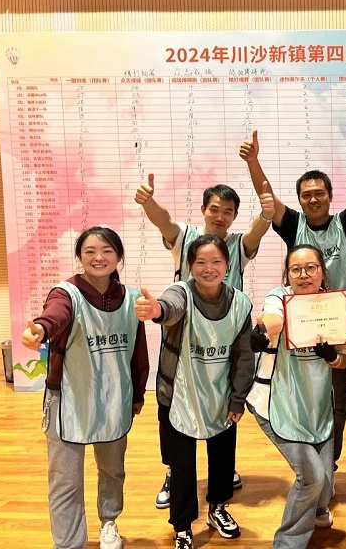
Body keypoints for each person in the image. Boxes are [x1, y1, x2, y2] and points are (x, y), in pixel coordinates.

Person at [240, 129, 346, 472]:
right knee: (305, 391)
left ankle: (328, 463)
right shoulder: (293, 224)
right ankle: (307, 457)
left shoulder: (345, 224)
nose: (313, 199)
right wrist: (253, 161)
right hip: (299, 323)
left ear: (329, 196)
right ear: (300, 200)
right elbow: (267, 196)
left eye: (319, 193)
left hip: (338, 323)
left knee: (337, 397)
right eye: (306, 195)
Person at [135, 174, 274, 508]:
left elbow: (257, 231)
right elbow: (164, 221)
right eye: (215, 208)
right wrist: (148, 202)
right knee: (170, 406)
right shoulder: (186, 237)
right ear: (203, 209)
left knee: (223, 405)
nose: (220, 216)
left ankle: (221, 479)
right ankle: (173, 471)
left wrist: (267, 214)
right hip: (183, 337)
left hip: (222, 341)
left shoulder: (237, 246)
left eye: (228, 211)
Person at [21, 226, 149, 549]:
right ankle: (68, 543)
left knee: (112, 471)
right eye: (90, 251)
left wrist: (138, 393)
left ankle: (109, 522)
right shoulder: (66, 293)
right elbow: (55, 315)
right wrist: (41, 330)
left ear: (118, 257)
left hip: (115, 399)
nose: (98, 257)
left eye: (107, 250)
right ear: (79, 256)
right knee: (65, 480)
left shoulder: (132, 299)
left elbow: (138, 350)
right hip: (68, 400)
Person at [135, 235, 255, 549]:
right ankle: (182, 527)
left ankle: (218, 508)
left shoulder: (240, 303)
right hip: (179, 396)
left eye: (216, 261)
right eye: (200, 262)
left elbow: (244, 355)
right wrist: (157, 311)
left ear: (227, 265)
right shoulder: (181, 292)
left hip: (220, 395)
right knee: (183, 467)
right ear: (190, 266)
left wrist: (238, 398)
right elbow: (170, 308)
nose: (208, 268)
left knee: (223, 461)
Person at [246, 244, 346, 548]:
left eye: (310, 268)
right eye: (296, 269)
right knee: (311, 478)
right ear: (287, 274)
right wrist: (262, 332)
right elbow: (273, 318)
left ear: (322, 271)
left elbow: (344, 360)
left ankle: (317, 509)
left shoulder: (334, 306)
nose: (303, 274)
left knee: (325, 484)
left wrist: (331, 357)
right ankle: (287, 542)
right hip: (275, 405)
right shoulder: (279, 297)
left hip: (318, 407)